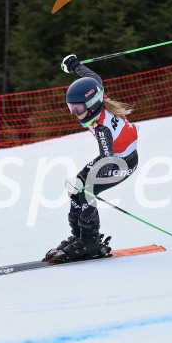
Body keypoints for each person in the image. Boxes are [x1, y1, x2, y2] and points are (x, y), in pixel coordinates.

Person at [44, 54, 139, 263]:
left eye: (78, 109)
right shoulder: (98, 100)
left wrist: (84, 184)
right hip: (114, 156)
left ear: (92, 105)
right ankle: (79, 237)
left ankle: (89, 243)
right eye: (71, 108)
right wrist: (75, 65)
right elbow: (93, 78)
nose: (75, 114)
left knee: (87, 191)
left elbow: (107, 159)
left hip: (122, 162)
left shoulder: (103, 128)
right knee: (77, 189)